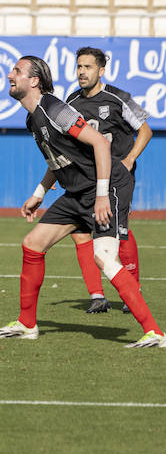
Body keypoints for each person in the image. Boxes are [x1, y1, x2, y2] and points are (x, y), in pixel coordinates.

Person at [0, 55, 163, 347]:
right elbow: (59, 161)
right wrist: (39, 193)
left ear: (34, 81)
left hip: (106, 187)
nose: (10, 75)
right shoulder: (33, 117)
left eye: (16, 71)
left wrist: (103, 195)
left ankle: (154, 332)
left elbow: (100, 144)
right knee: (32, 244)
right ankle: (27, 324)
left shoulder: (54, 108)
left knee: (104, 258)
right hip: (77, 193)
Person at [51, 47, 151, 314]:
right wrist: (56, 173)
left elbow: (145, 130)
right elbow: (65, 143)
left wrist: (129, 160)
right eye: (79, 67)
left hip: (117, 177)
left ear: (101, 70)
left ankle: (134, 289)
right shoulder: (71, 101)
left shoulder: (118, 98)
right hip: (86, 176)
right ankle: (97, 295)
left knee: (117, 230)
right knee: (80, 231)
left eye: (88, 67)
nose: (82, 72)